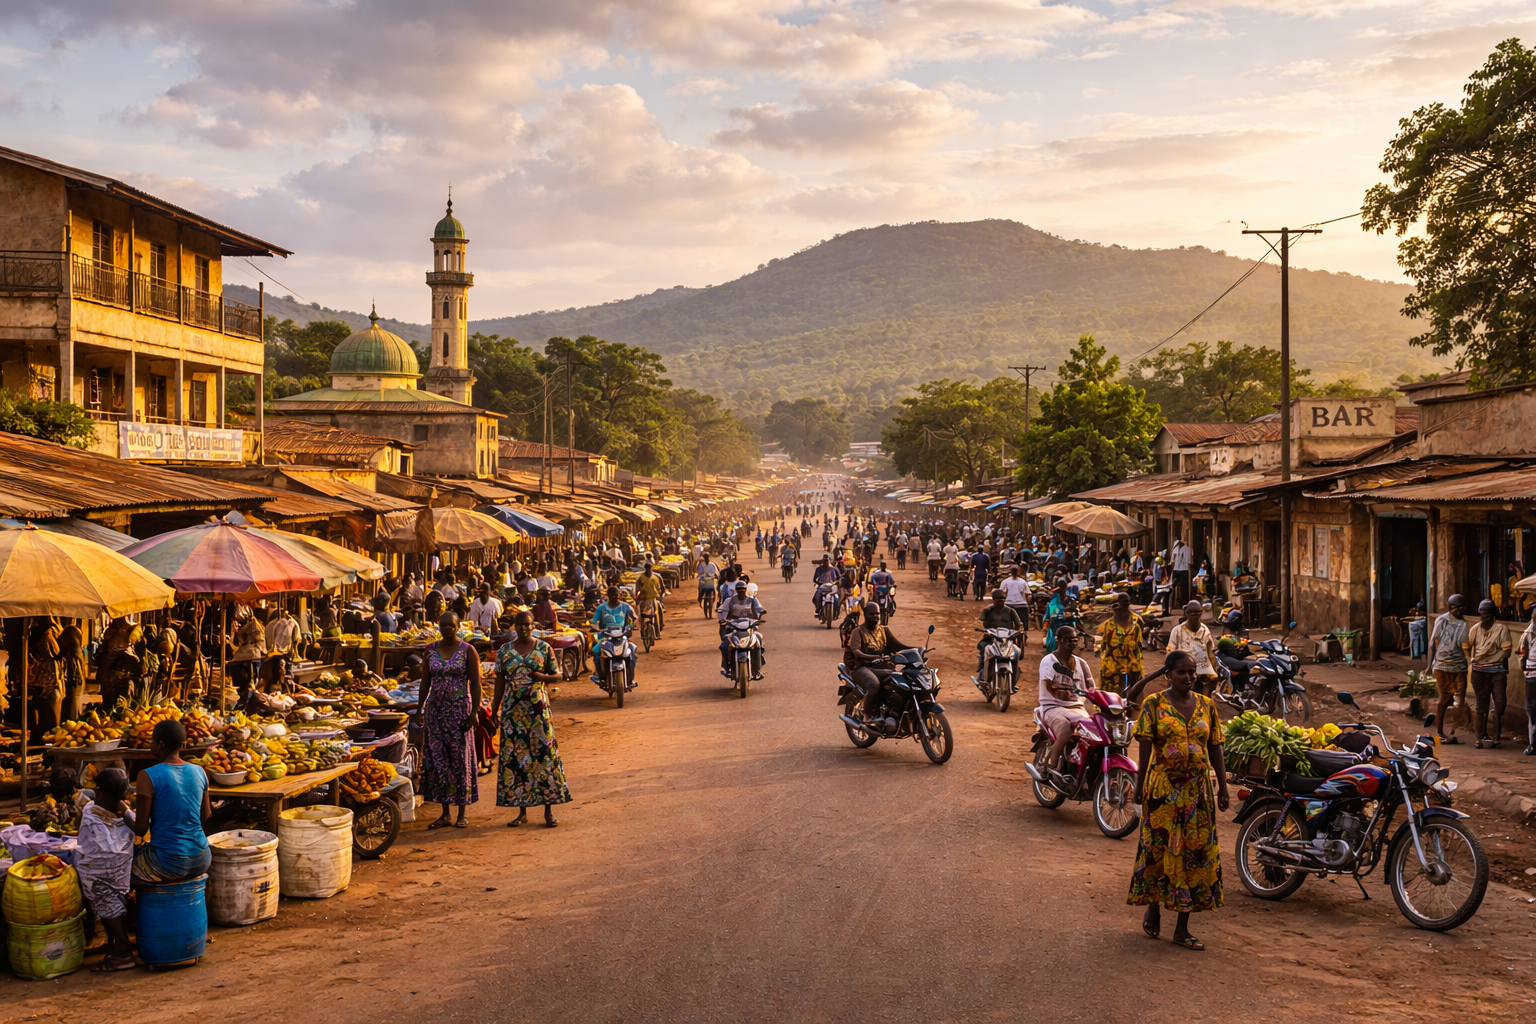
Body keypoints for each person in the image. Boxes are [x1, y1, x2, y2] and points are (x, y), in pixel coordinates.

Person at [1127, 650, 1229, 951]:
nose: (1189, 677)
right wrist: (1139, 785)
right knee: (1157, 851)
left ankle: (1183, 928)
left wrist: (1222, 787)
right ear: (1168, 674)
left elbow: (1216, 748)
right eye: (1182, 672)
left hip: (1197, 794)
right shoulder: (1153, 705)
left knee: (1195, 855)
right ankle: (1154, 907)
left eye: (1192, 672)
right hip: (1162, 792)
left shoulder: (1207, 706)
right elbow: (1144, 750)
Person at [493, 611, 572, 829]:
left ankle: (548, 811)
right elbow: (499, 683)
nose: (523, 629)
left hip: (538, 713)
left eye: (526, 625)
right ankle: (522, 811)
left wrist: (543, 678)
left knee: (544, 757)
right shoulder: (505, 652)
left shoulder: (543, 648)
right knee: (517, 760)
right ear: (514, 627)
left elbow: (558, 675)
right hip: (513, 714)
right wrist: (493, 711)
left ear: (532, 625)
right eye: (519, 625)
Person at [419, 612, 482, 829]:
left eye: (451, 625)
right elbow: (425, 681)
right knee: (439, 761)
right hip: (435, 711)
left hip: (459, 711)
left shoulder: (468, 651)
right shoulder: (429, 651)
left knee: (460, 759)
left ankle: (461, 812)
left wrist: (473, 712)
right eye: (443, 625)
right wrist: (420, 708)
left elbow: (475, 683)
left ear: (457, 626)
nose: (447, 629)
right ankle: (445, 812)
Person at [129, 719, 211, 885]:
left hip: (170, 862)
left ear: (160, 744)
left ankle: (132, 910)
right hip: (202, 858)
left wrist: (123, 811)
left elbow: (140, 829)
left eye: (151, 740)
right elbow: (206, 816)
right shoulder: (199, 771)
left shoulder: (147, 775)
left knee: (120, 872)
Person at [846, 602, 915, 734]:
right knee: (873, 685)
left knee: (903, 685)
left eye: (877, 613)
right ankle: (867, 716)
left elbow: (898, 646)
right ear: (865, 614)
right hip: (864, 668)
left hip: (885, 668)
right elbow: (856, 652)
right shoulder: (858, 631)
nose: (875, 616)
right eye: (872, 614)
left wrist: (917, 650)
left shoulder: (884, 630)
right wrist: (873, 657)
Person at [1038, 626, 1096, 777]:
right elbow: (1049, 687)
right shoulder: (1048, 661)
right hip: (1052, 707)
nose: (1072, 643)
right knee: (1064, 729)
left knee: (1095, 731)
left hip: (1077, 708)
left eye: (1074, 640)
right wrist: (1068, 693)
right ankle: (1052, 764)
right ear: (1059, 641)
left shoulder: (1081, 663)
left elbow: (1091, 687)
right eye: (1068, 640)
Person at [1463, 599, 1512, 748]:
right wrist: (1471, 658)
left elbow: (1507, 651)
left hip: (1498, 672)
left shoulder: (1502, 630)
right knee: (1481, 706)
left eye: (1488, 615)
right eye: (1482, 615)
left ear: (1493, 615)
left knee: (1500, 705)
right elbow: (1466, 645)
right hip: (1479, 672)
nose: (1485, 618)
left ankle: (1496, 738)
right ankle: (1479, 738)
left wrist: (1495, 659)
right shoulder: (1475, 630)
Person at [1429, 594, 1471, 743]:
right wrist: (1430, 665)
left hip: (1459, 666)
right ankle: (1439, 729)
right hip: (1443, 665)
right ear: (1451, 608)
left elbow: (1465, 644)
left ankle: (1452, 729)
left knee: (1458, 699)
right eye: (1458, 607)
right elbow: (1433, 642)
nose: (1461, 610)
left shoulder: (1464, 624)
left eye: (1463, 607)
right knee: (1445, 697)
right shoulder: (1442, 620)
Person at [1166, 601, 1219, 695]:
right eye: (1192, 614)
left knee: (1212, 682)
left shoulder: (1204, 629)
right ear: (1187, 614)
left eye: (1198, 614)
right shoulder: (1178, 630)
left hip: (1203, 666)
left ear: (1201, 614)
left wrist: (1214, 668)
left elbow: (1210, 650)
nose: (1195, 616)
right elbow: (1171, 651)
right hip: (1184, 665)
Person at [717, 580, 767, 679]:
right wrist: (723, 617)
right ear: (736, 591)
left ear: (745, 591)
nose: (741, 593)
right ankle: (727, 669)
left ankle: (757, 669)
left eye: (742, 591)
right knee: (724, 645)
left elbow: (758, 609)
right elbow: (722, 609)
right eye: (739, 591)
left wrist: (760, 614)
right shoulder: (730, 600)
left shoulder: (752, 600)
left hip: (748, 628)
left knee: (757, 642)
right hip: (733, 627)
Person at [1097, 594, 1144, 695]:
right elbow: (1104, 647)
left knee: (1133, 695)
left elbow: (1139, 643)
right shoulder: (1108, 625)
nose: (1125, 604)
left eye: (1127, 602)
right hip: (1113, 665)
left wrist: (1137, 661)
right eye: (1122, 602)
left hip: (1132, 663)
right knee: (1112, 696)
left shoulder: (1137, 621)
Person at [591, 586, 637, 686]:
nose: (614, 598)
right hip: (605, 637)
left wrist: (631, 625)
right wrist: (597, 628)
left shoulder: (626, 607)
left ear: (619, 595)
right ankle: (599, 674)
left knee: (632, 650)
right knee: (598, 651)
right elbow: (594, 622)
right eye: (612, 596)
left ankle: (630, 677)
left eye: (616, 595)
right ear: (608, 596)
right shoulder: (601, 608)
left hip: (622, 636)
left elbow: (635, 618)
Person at [977, 589, 1024, 678]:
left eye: (1002, 601)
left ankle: (1015, 670)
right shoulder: (987, 610)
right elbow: (979, 622)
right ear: (994, 600)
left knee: (1016, 652)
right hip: (991, 639)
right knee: (984, 648)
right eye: (998, 601)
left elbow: (1018, 624)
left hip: (1007, 639)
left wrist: (1018, 631)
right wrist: (983, 630)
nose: (1001, 603)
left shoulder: (1010, 611)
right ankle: (982, 671)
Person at [1517, 605, 1536, 756]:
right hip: (1531, 675)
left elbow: (1521, 656)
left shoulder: (1527, 633)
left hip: (1531, 677)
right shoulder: (1528, 633)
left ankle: (1533, 744)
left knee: (1531, 711)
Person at [637, 564, 665, 634]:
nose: (648, 570)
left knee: (657, 614)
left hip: (654, 599)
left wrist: (660, 598)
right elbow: (637, 589)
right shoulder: (641, 578)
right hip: (644, 599)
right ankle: (643, 631)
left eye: (649, 568)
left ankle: (658, 631)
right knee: (642, 615)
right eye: (647, 569)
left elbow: (660, 589)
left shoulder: (656, 577)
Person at [1170, 538, 1191, 605]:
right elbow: (1172, 561)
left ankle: (1183, 603)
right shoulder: (1177, 549)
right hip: (1180, 570)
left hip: (1181, 571)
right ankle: (1176, 603)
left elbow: (1172, 561)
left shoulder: (1186, 549)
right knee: (1175, 587)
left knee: (1182, 588)